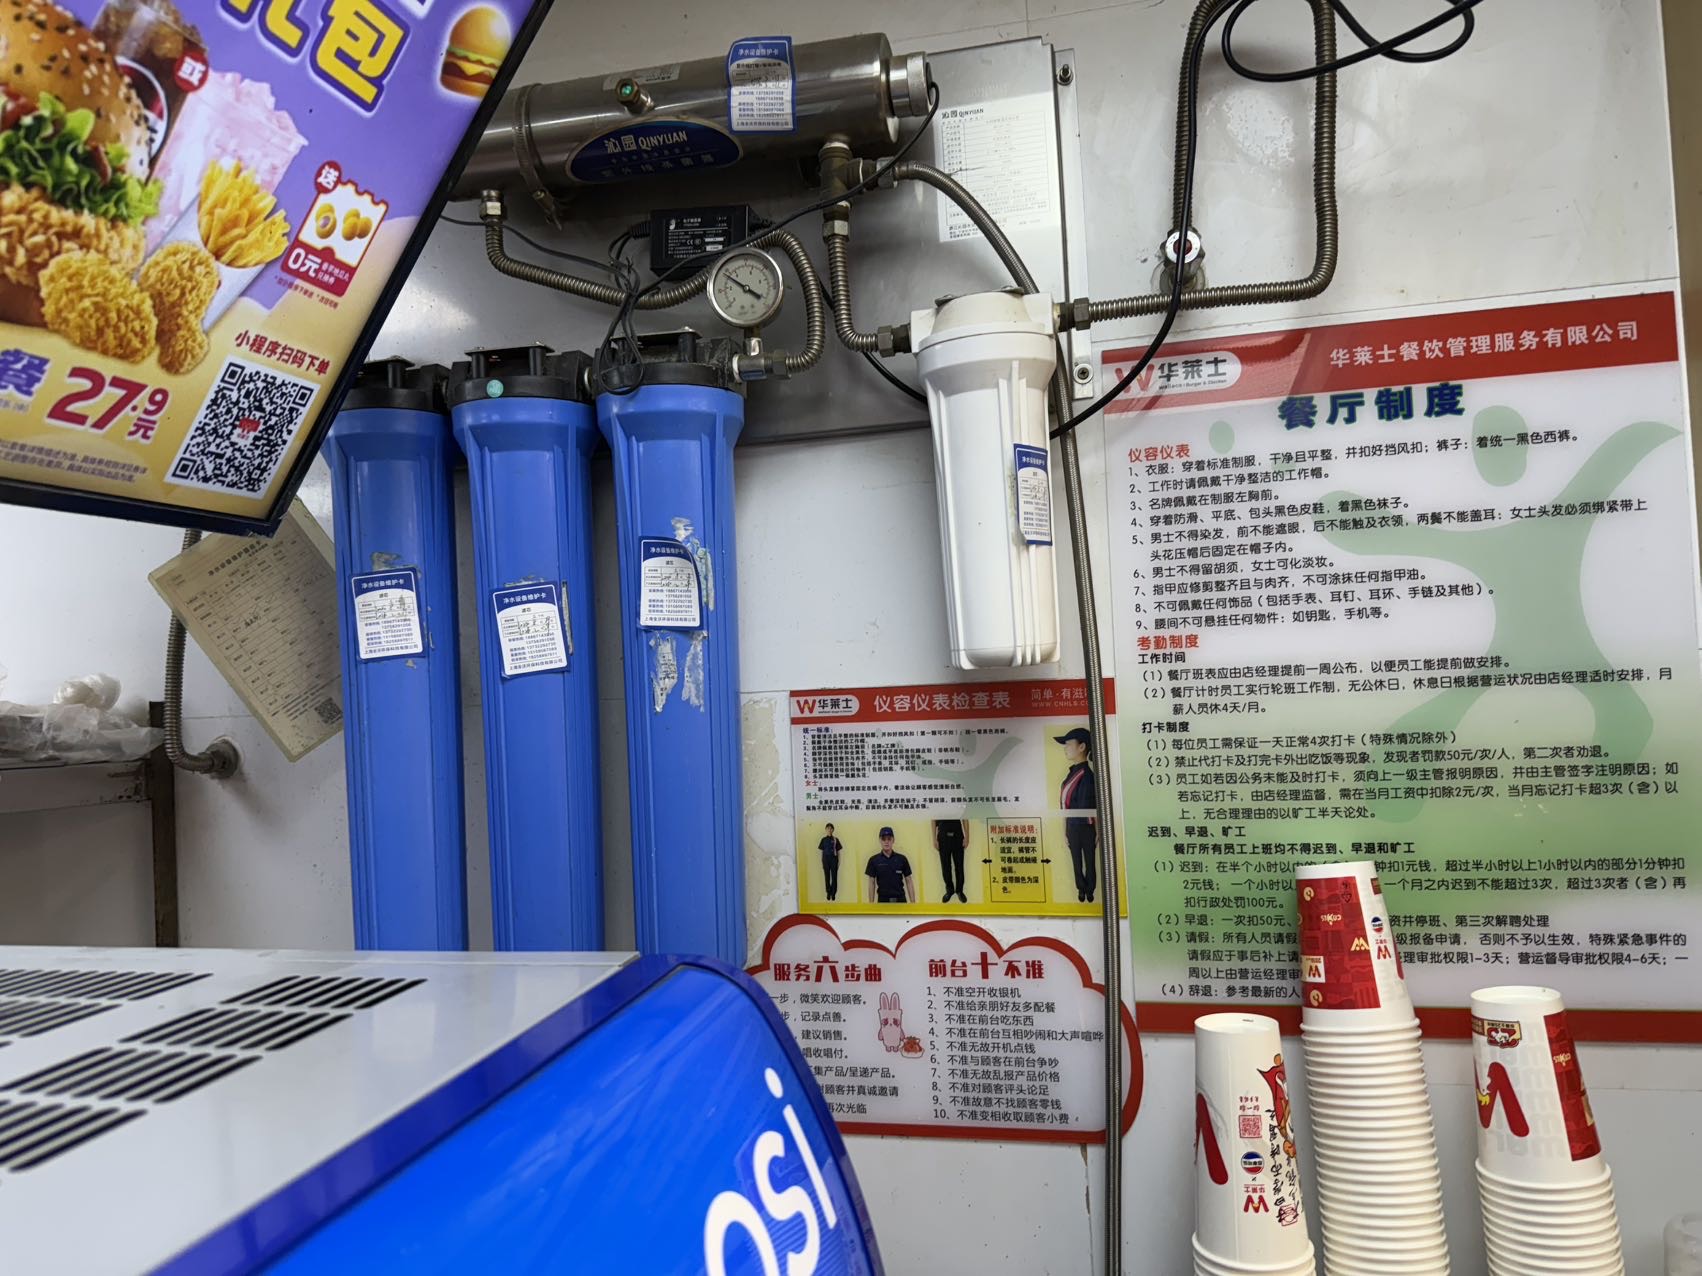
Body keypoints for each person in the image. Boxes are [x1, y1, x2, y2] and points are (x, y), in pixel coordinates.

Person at [1056, 727, 1098, 903]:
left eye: (1068, 744)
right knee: (1076, 861)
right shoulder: (1072, 773)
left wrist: (1098, 830)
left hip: (1087, 827)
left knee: (1089, 860)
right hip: (1073, 826)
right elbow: (1065, 807)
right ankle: (1081, 888)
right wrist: (1065, 830)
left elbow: (1094, 806)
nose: (1065, 748)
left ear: (1082, 747)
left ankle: (1090, 889)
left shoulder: (1088, 776)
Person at [865, 827, 915, 905]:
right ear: (880, 840)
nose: (886, 842)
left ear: (893, 840)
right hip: (883, 902)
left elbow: (909, 880)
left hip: (900, 901)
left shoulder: (902, 859)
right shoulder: (873, 860)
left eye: (889, 839)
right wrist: (871, 904)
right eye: (883, 839)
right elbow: (871, 882)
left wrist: (913, 903)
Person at [933, 818, 968, 903]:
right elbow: (933, 820)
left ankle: (959, 891)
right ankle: (949, 890)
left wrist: (967, 837)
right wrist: (934, 839)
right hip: (943, 836)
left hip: (957, 835)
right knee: (945, 867)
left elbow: (965, 817)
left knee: (959, 866)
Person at [817, 823, 843, 901]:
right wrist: (821, 861)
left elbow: (838, 852)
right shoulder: (823, 840)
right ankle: (828, 892)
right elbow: (821, 852)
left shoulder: (836, 839)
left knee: (834, 877)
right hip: (825, 860)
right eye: (828, 828)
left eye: (831, 828)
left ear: (833, 830)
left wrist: (839, 862)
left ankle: (833, 893)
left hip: (834, 860)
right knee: (827, 877)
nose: (829, 830)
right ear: (826, 829)